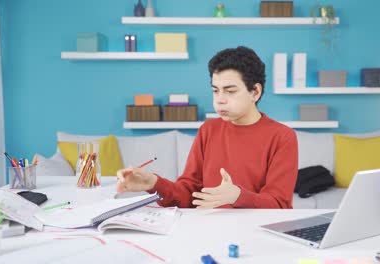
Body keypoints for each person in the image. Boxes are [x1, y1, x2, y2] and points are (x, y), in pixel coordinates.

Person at [116, 46, 298, 209]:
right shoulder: (209, 130)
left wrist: (238, 197)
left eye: (230, 91)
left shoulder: (282, 137)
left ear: (255, 92)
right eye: (215, 90)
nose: (220, 99)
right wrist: (153, 183)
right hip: (206, 230)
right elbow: (188, 195)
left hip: (255, 236)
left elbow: (279, 204)